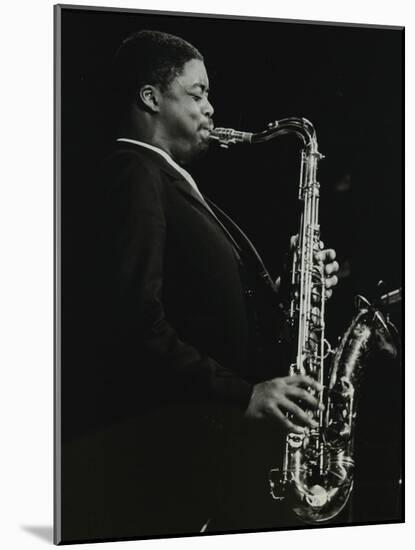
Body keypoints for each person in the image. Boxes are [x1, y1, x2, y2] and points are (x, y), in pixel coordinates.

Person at [62, 29, 339, 542]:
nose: (211, 109)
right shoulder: (133, 172)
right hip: (169, 453)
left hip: (203, 447)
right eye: (197, 93)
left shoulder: (167, 180)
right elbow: (132, 323)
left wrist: (295, 289)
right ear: (151, 98)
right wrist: (243, 395)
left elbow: (201, 310)